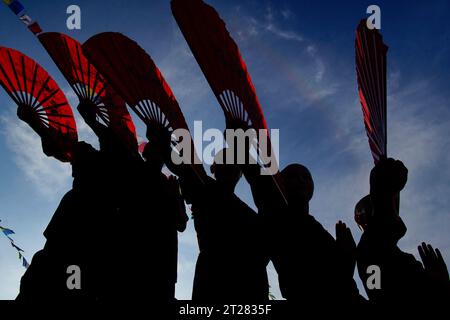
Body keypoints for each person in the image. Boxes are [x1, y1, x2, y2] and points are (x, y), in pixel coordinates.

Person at [356, 158, 450, 309]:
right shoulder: (369, 252)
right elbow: (378, 296)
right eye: (392, 203)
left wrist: (441, 284)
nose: (395, 210)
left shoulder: (376, 254)